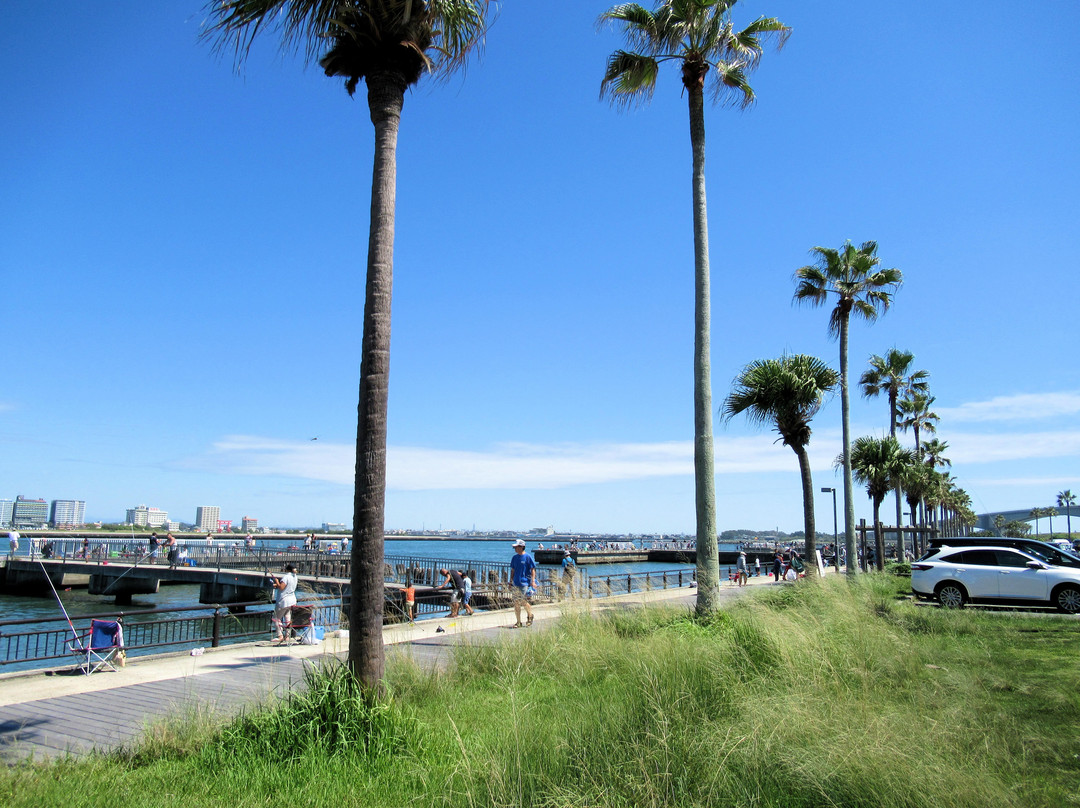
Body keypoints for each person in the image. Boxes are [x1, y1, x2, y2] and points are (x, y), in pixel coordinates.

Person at [509, 539, 536, 628]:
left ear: (521, 547)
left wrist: (532, 581)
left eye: (516, 547)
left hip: (524, 583)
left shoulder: (528, 557)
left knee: (523, 601)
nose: (515, 549)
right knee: (516, 602)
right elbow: (512, 570)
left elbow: (532, 569)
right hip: (516, 582)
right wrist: (510, 581)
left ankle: (530, 615)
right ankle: (518, 622)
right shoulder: (514, 558)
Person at [269, 563, 298, 643]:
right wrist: (277, 585)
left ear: (287, 569)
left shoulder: (286, 577)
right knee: (288, 618)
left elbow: (282, 587)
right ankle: (287, 636)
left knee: (276, 618)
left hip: (283, 601)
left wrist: (277, 581)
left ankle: (280, 636)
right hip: (292, 601)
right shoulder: (294, 577)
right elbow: (286, 587)